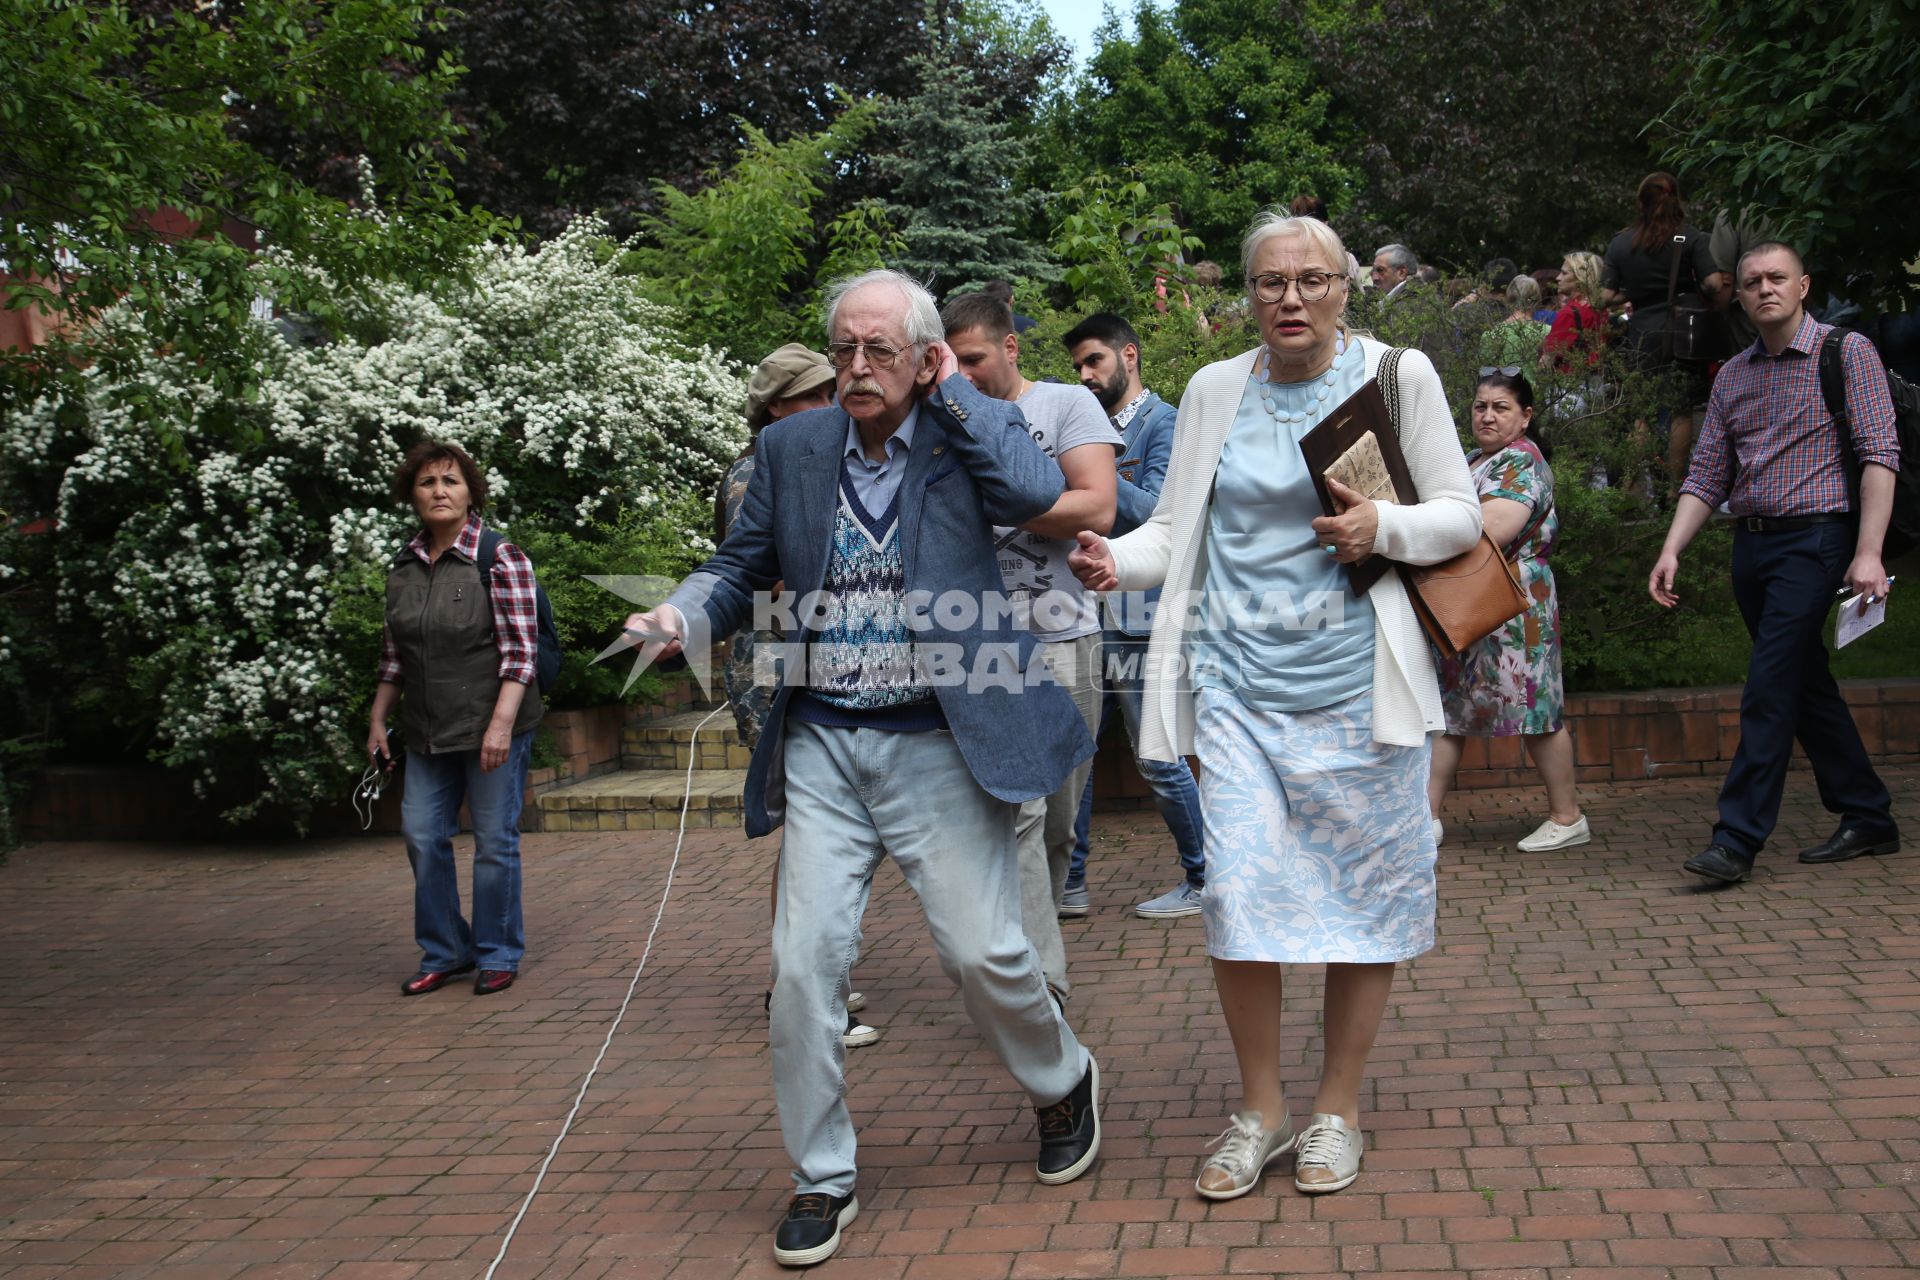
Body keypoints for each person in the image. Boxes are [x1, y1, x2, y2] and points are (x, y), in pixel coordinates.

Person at [624, 270, 1101, 1267]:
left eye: (880, 350)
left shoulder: (960, 434)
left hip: (940, 735)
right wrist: (681, 613)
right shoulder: (790, 447)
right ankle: (822, 1172)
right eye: (844, 347)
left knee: (983, 953)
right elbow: (739, 563)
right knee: (805, 965)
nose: (856, 367)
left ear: (923, 356)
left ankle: (1062, 1079)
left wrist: (954, 394)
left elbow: (1033, 490)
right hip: (826, 738)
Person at [1070, 213, 1481, 1199]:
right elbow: (1174, 528)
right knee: (1239, 896)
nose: (1289, 298)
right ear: (1249, 297)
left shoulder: (1397, 377)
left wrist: (1382, 521)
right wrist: (1112, 558)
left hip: (1358, 688)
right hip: (1236, 686)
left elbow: (1460, 514)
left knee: (1363, 899)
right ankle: (1260, 1107)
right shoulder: (1219, 389)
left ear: (1347, 286)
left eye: (1311, 279)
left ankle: (1337, 1108)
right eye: (1268, 283)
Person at [1648, 242, 1902, 885]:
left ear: (1803, 286)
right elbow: (1707, 473)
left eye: (1777, 278)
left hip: (1818, 541)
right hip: (1752, 546)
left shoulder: (1846, 353)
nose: (1765, 289)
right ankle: (1869, 814)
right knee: (1803, 683)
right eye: (1753, 280)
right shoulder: (1733, 375)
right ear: (1740, 294)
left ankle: (1736, 839)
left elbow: (1880, 453)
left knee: (1768, 686)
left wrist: (1868, 552)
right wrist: (1672, 547)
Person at [941, 290, 1120, 998]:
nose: (962, 373)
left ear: (1010, 348)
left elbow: (1096, 505)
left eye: (974, 358)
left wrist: (1001, 496)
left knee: (1059, 822)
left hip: (1065, 636)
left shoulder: (1064, 408)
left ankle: (1031, 939)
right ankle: (1033, 974)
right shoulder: (943, 416)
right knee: (1012, 814)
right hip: (979, 646)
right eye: (949, 361)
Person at [718, 344, 879, 1050]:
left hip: (793, 654)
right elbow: (766, 581)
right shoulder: (762, 468)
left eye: (830, 390)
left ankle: (815, 978)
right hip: (776, 661)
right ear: (777, 407)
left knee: (819, 831)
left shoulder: (793, 459)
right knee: (815, 831)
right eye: (813, 395)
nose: (829, 402)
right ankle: (802, 988)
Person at [370, 442, 543, 999]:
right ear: (412, 496)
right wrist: (378, 719)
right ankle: (445, 950)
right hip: (425, 727)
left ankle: (497, 952)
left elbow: (521, 653)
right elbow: (394, 655)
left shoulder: (500, 557)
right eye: (427, 483)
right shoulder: (403, 566)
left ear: (471, 492)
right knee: (421, 835)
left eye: (451, 481)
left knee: (494, 841)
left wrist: (499, 725)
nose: (439, 491)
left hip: (495, 724)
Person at [1057, 312, 1207, 920]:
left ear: (1130, 355)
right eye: (1078, 368)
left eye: (1095, 361)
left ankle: (1205, 877)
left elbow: (1160, 517)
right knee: (1076, 753)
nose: (1086, 375)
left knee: (1159, 755)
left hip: (1144, 613)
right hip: (1090, 613)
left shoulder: (1165, 422)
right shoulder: (1082, 430)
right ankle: (1067, 882)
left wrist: (1100, 488)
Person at [1427, 371, 1587, 851]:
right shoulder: (1477, 459)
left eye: (1500, 407)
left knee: (1535, 709)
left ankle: (1568, 816)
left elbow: (1490, 530)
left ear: (1525, 416)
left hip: (1515, 602)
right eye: (1480, 406)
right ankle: (1425, 816)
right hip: (1471, 596)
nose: (1488, 415)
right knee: (1450, 707)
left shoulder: (1521, 462)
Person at [1602, 172, 1727, 478]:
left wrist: (1633, 292)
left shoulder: (1621, 243)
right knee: (1681, 410)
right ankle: (1672, 491)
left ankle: (1635, 491)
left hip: (1641, 333)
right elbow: (1712, 283)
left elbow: (1604, 296)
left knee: (1641, 412)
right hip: (1682, 333)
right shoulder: (1691, 237)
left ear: (1640, 204)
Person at [1478, 275, 1550, 369]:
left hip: (1503, 383)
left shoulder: (1492, 334)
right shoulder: (1548, 332)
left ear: (1509, 297)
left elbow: (1485, 371)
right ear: (1537, 299)